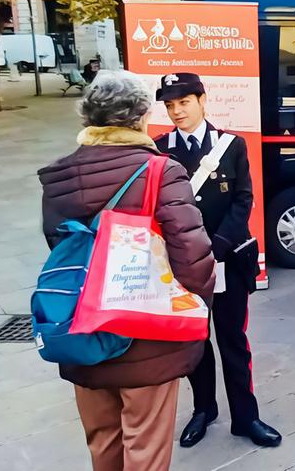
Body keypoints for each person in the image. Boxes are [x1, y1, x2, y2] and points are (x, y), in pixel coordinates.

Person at [38, 70, 215, 471]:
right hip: (146, 331)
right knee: (146, 447)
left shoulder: (58, 175)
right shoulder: (160, 170)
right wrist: (192, 307)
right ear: (140, 116)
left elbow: (59, 247)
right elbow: (192, 252)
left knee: (103, 443)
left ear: (89, 117)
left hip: (81, 328)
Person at [153, 72, 282, 449]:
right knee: (194, 340)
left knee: (233, 340)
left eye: (184, 102)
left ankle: (246, 417)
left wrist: (217, 245)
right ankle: (203, 409)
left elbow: (243, 200)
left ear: (202, 100)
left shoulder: (232, 146)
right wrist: (189, 252)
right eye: (170, 105)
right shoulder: (159, 150)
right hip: (182, 266)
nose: (177, 111)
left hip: (225, 259)